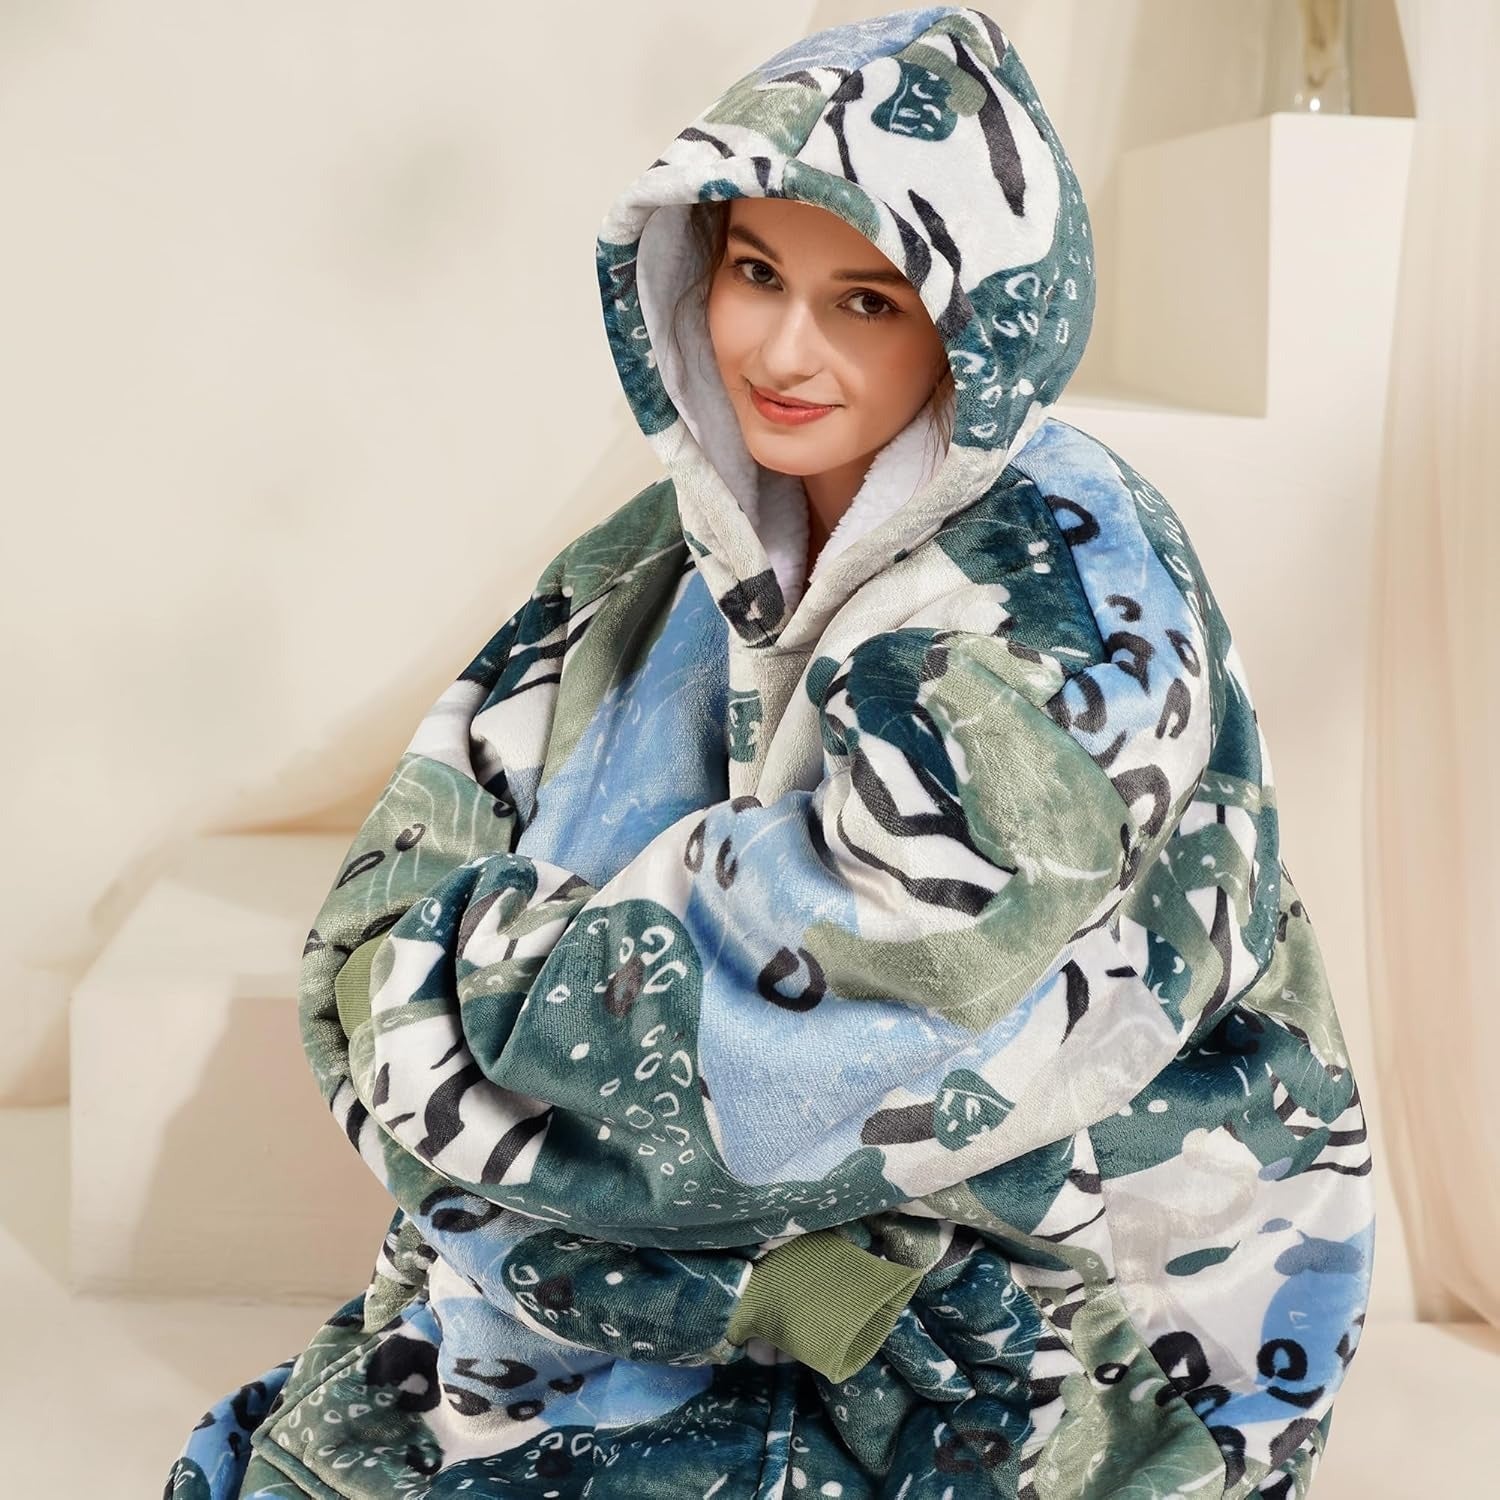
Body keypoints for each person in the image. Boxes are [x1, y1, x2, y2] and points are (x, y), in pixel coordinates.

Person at [166, 7, 1373, 1498]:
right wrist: (504, 1021)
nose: (783, 352)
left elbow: (848, 1015)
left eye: (865, 300)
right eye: (753, 274)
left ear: (973, 322)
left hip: (1072, 1267)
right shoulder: (673, 547)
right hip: (766, 1200)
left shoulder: (1064, 603)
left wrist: (472, 1021)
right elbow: (399, 876)